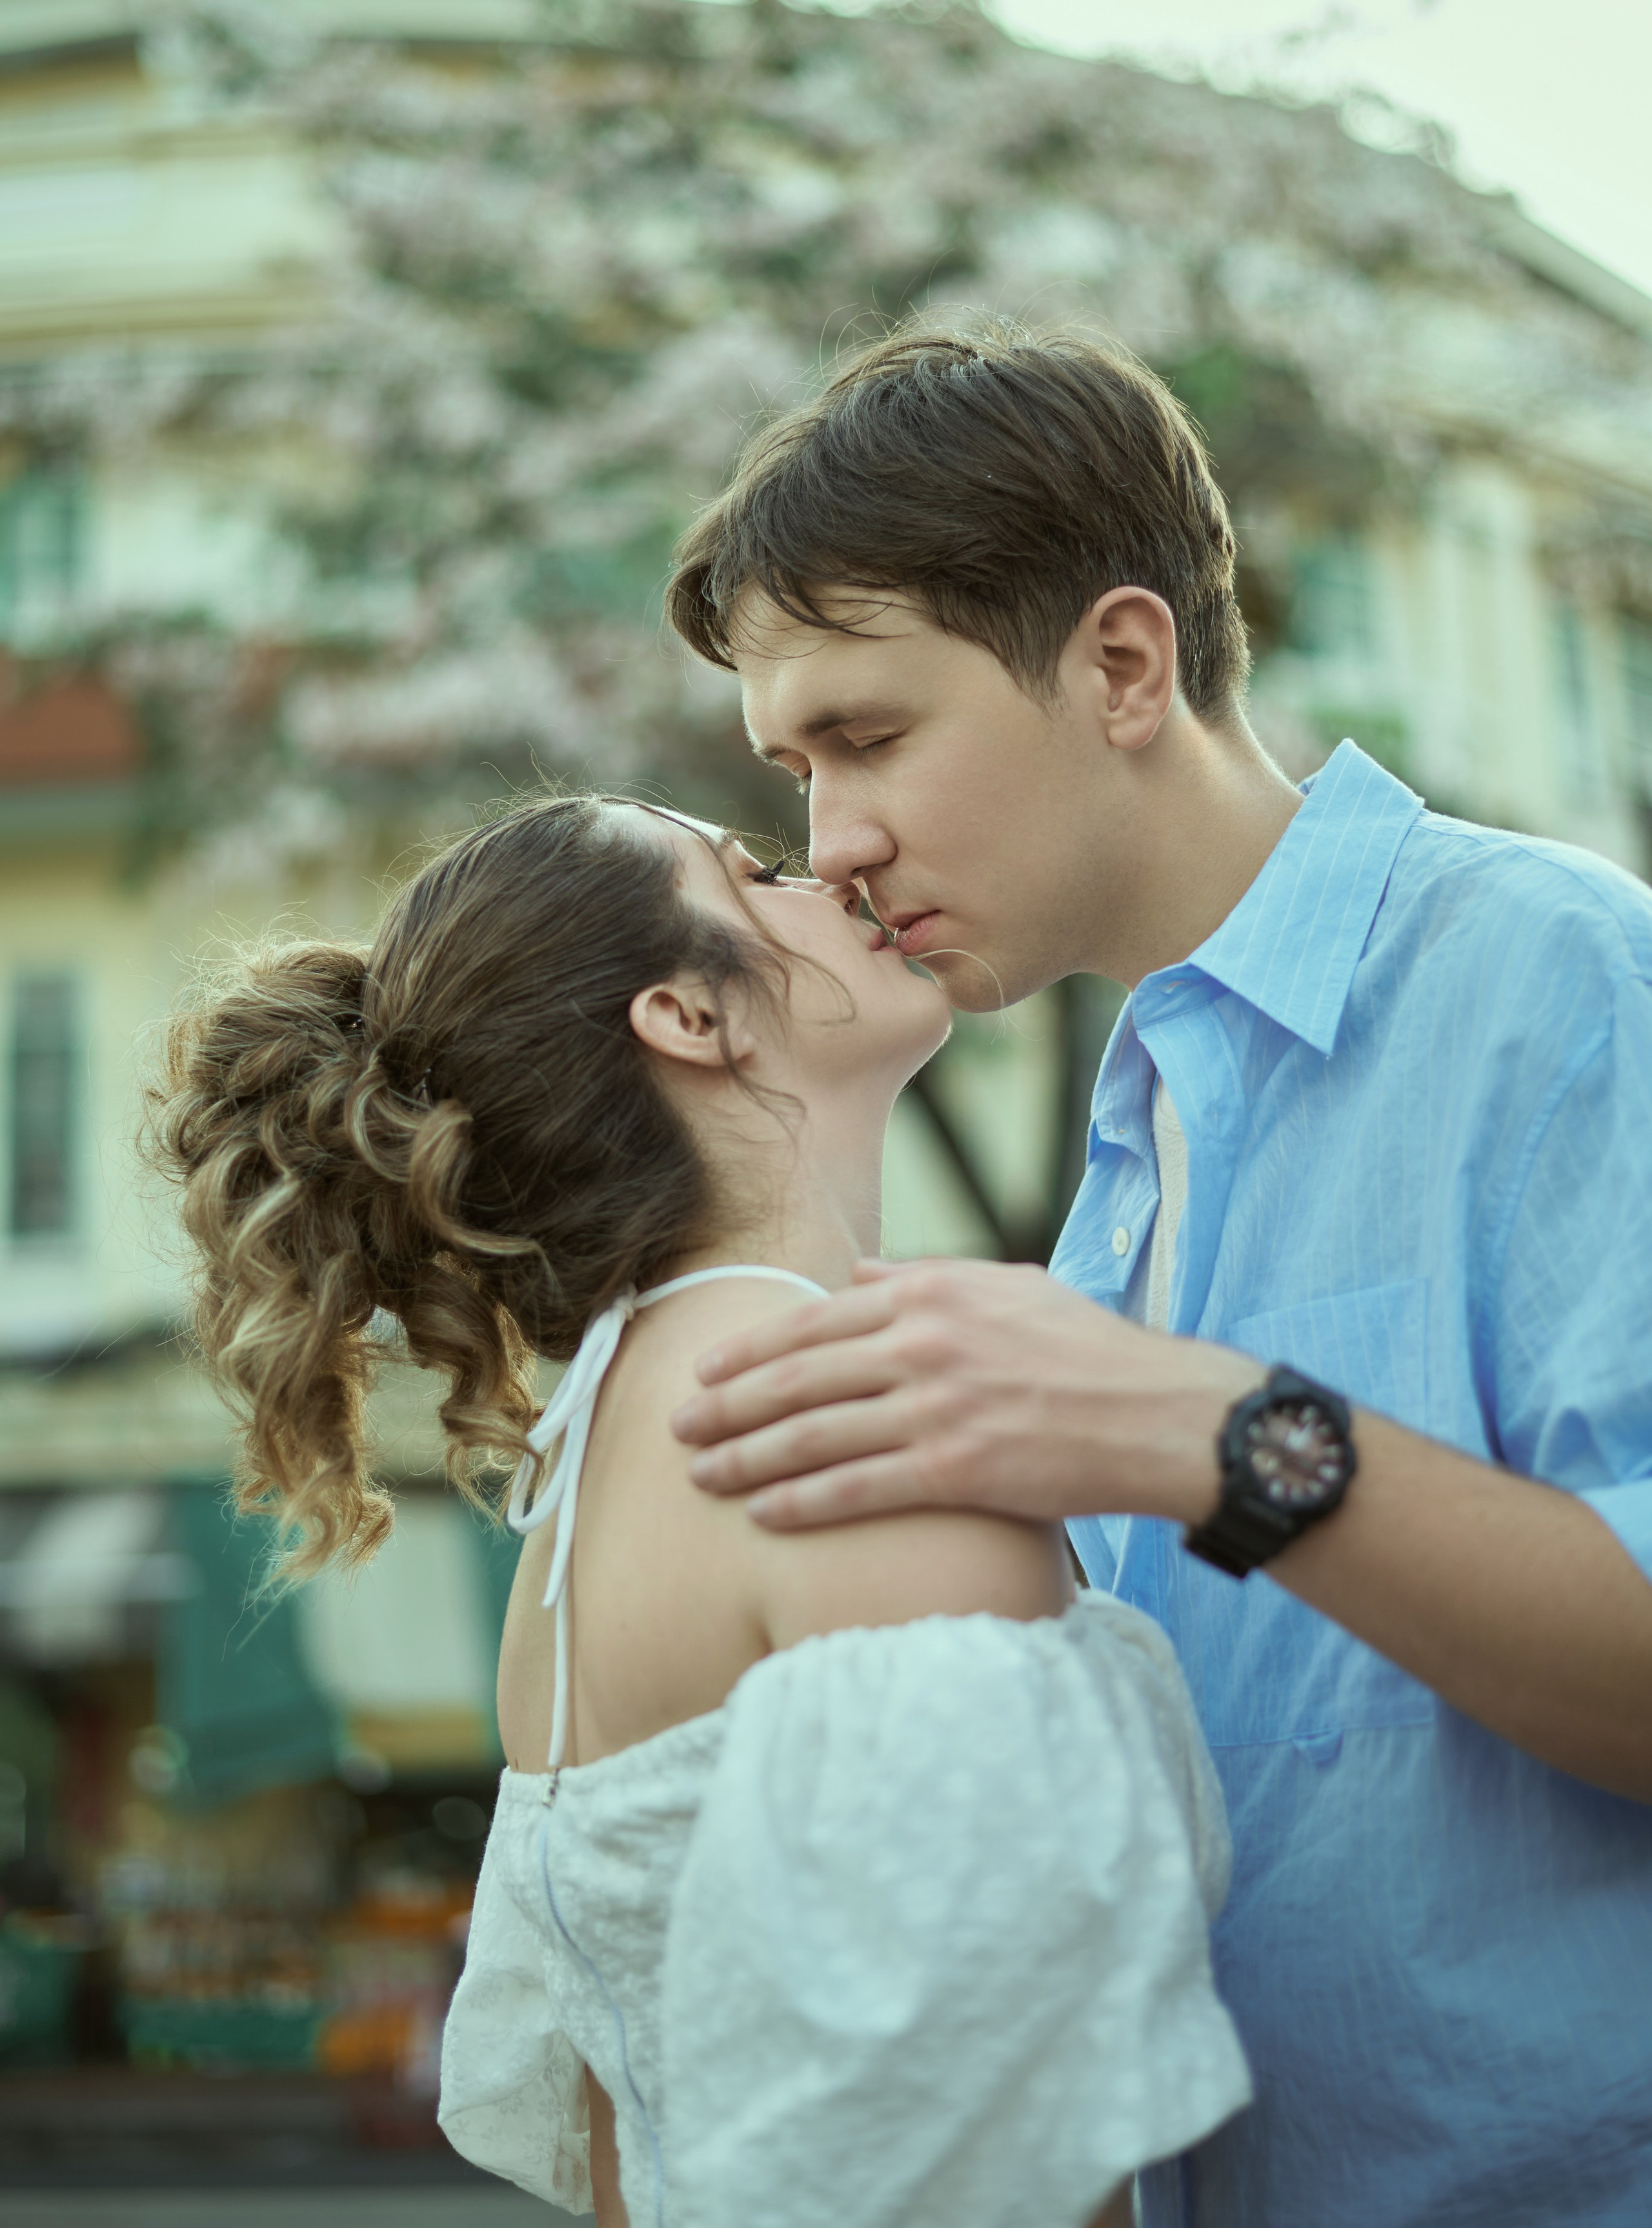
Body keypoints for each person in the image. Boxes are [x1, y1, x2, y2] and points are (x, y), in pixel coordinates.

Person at [662, 322, 1652, 2228]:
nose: (834, 841)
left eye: (869, 737)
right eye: (794, 771)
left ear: (1124, 664)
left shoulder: (1560, 980)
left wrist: (1212, 1435)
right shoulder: (1128, 1146)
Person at [145, 791, 1249, 2228]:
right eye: (756, 873)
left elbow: (620, 2159)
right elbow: (1030, 2163)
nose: (837, 868)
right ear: (688, 1015)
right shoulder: (843, 1418)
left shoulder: (593, 1469)